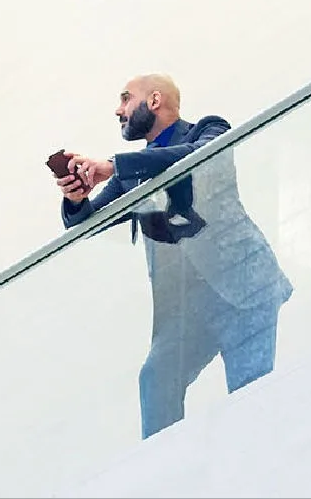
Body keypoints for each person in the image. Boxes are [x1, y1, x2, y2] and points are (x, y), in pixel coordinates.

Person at [55, 74, 293, 439]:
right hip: (187, 307)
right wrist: (75, 199)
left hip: (244, 291)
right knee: (156, 377)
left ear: (154, 100)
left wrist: (113, 165)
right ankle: (161, 476)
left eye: (125, 99)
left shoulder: (206, 130)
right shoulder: (131, 173)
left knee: (251, 400)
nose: (118, 110)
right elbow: (87, 223)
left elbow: (196, 158)